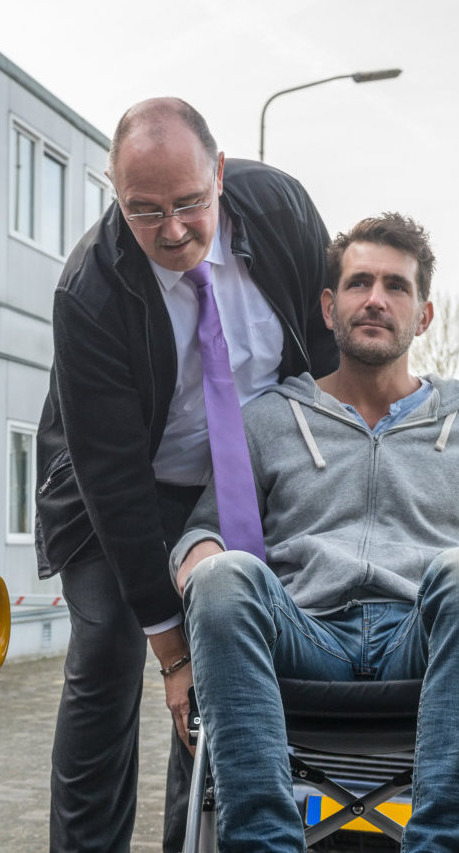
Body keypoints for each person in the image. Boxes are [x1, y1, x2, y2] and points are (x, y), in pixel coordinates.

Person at [171, 213, 459, 852]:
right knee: (224, 576)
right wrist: (203, 555)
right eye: (358, 284)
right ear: (329, 307)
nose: (375, 300)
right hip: (304, 638)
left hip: (424, 638)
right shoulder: (269, 421)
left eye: (395, 286)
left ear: (424, 314)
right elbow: (201, 534)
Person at [33, 97, 338, 853]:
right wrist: (168, 650)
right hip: (120, 488)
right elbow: (112, 478)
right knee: (109, 651)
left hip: (239, 481)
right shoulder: (89, 293)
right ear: (115, 196)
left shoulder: (281, 210)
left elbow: (325, 358)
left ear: (221, 174)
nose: (172, 230)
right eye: (144, 211)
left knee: (223, 666)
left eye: (188, 204)